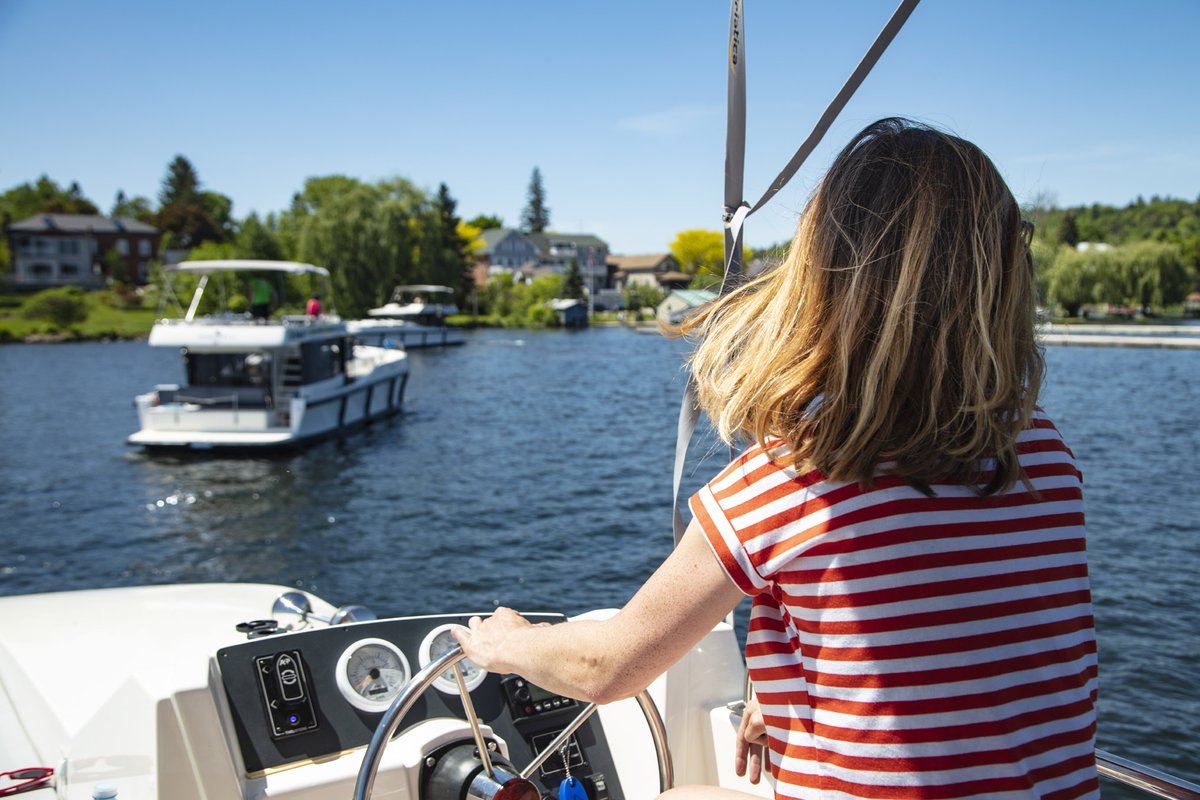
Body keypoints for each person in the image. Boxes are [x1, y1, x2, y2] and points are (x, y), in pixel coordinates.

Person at [454, 118, 1098, 800]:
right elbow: (950, 618)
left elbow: (606, 667)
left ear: (822, 280)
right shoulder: (1043, 453)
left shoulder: (793, 478)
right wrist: (783, 682)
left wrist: (507, 644)